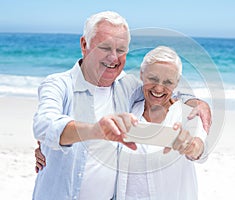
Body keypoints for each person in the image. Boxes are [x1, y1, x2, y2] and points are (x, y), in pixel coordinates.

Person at [33, 11, 211, 200]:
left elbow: (160, 89)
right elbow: (44, 124)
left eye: (121, 50)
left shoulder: (127, 87)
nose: (114, 58)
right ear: (84, 45)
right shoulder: (59, 84)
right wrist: (95, 130)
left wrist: (197, 102)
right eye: (105, 47)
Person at [114, 46, 208, 200]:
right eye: (153, 79)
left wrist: (191, 147)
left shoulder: (188, 114)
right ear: (142, 75)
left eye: (168, 82)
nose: (158, 88)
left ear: (176, 83)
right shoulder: (130, 110)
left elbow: (200, 150)